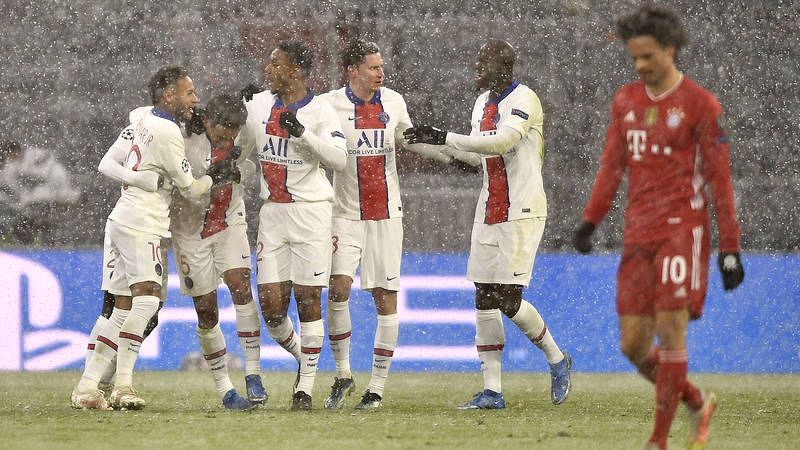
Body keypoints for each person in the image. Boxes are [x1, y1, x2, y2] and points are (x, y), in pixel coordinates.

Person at [571, 6, 744, 449]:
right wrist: (591, 219)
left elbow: (720, 178)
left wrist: (730, 246)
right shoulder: (625, 100)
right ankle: (696, 401)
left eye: (647, 56)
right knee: (632, 345)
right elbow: (612, 165)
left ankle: (658, 440)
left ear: (670, 49)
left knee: (671, 331)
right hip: (638, 232)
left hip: (683, 230)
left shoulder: (700, 104)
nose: (640, 66)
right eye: (634, 58)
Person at [404, 39, 572, 410]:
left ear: (505, 64)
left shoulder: (525, 99)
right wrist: (426, 145)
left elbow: (502, 142)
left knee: (508, 300)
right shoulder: (482, 103)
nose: (477, 65)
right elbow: (474, 155)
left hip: (522, 210)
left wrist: (446, 136)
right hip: (489, 209)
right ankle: (493, 391)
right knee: (483, 295)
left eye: (484, 59)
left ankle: (557, 358)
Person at [71, 65, 234, 410]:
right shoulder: (167, 131)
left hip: (120, 218)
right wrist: (214, 177)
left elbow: (107, 163)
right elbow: (190, 190)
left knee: (119, 310)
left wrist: (139, 179)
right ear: (169, 95)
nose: (196, 98)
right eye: (189, 92)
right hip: (143, 223)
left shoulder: (141, 117)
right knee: (147, 302)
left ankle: (87, 387)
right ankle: (123, 386)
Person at [318, 39, 453, 410]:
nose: (381, 72)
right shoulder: (329, 105)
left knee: (385, 298)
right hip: (344, 213)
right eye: (373, 67)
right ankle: (343, 373)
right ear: (352, 71)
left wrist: (449, 154)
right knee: (339, 288)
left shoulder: (393, 102)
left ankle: (376, 389)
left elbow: (409, 140)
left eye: (381, 66)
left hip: (386, 213)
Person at [236, 40, 347, 410]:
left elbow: (339, 160)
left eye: (275, 64)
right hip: (272, 214)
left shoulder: (321, 111)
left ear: (295, 71)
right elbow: (238, 149)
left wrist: (301, 133)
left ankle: (306, 389)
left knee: (309, 299)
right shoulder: (258, 107)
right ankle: (305, 358)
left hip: (311, 213)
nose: (267, 70)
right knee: (271, 306)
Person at [170, 94, 264, 410]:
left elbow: (251, 164)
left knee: (241, 286)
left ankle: (253, 373)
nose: (230, 138)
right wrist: (213, 176)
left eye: (234, 132)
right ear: (208, 121)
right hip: (189, 231)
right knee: (207, 310)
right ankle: (226, 391)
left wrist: (239, 173)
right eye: (224, 132)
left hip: (227, 222)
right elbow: (184, 187)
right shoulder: (181, 137)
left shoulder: (243, 131)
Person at [0, 140, 81, 244]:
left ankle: (50, 230)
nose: (13, 157)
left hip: (55, 182)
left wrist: (37, 173)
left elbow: (50, 160)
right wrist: (25, 195)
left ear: (18, 150)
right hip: (36, 194)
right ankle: (41, 233)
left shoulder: (32, 154)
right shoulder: (10, 168)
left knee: (63, 199)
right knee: (31, 209)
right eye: (9, 155)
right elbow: (16, 188)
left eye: (13, 153)